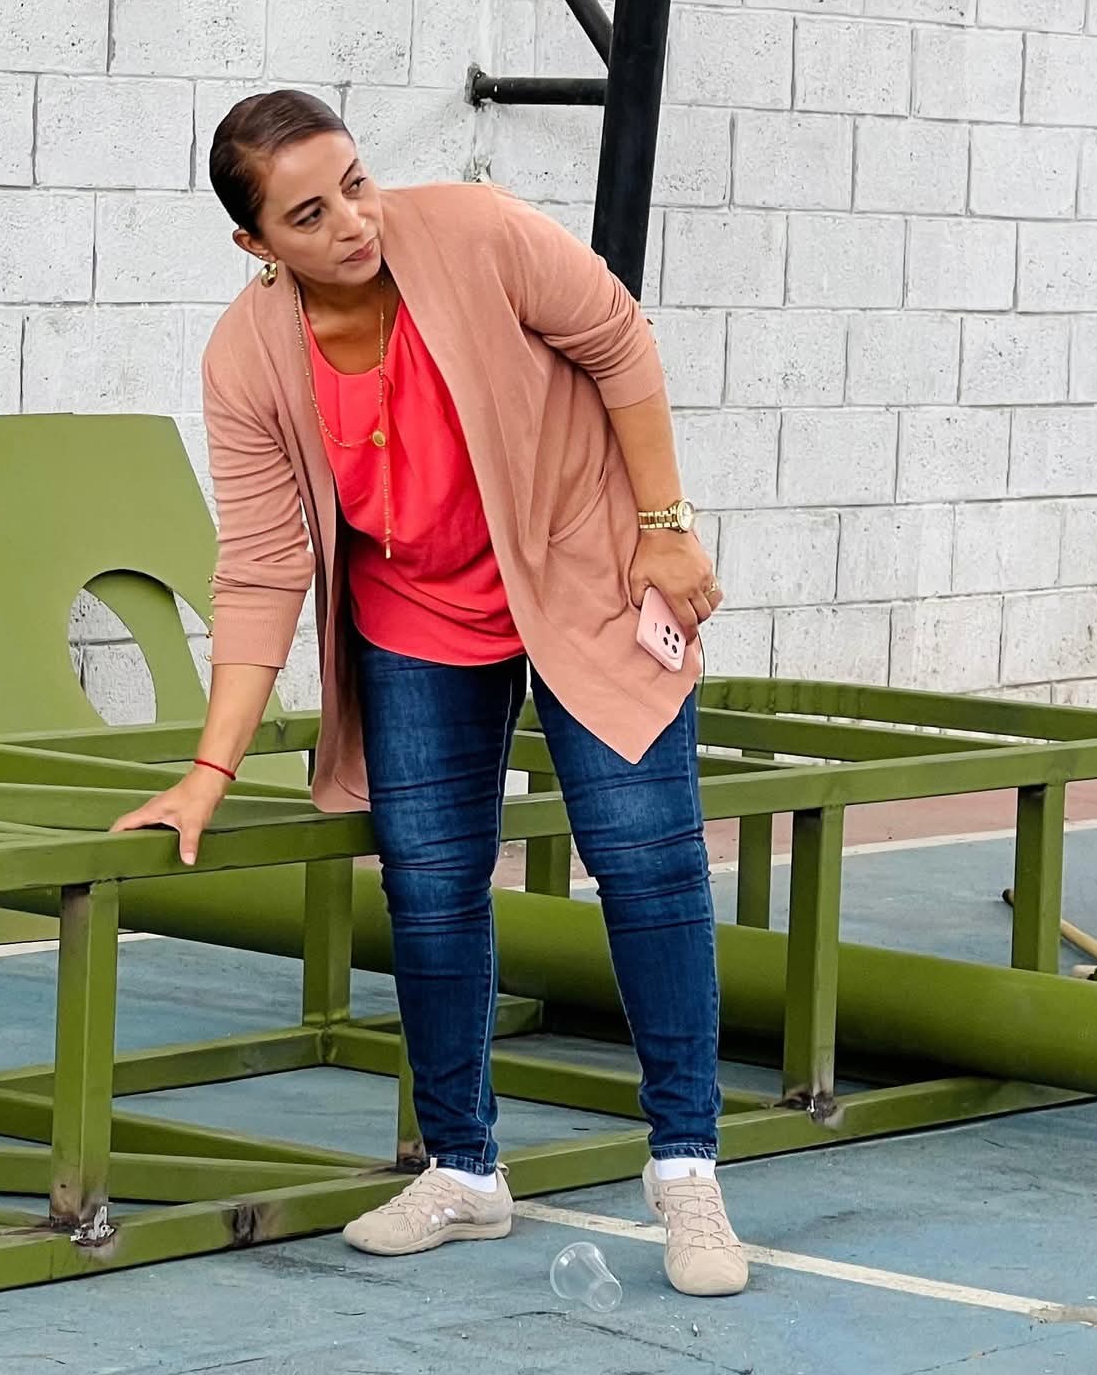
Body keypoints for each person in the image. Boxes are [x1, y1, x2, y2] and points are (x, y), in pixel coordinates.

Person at [110, 90, 747, 1298]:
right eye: (308, 213)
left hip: (580, 568)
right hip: (414, 608)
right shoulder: (247, 357)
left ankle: (685, 1170)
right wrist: (207, 771)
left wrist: (664, 524)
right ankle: (462, 1169)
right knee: (431, 884)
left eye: (353, 183)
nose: (351, 220)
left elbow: (617, 338)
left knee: (643, 857)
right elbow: (261, 567)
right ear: (255, 244)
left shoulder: (474, 231)